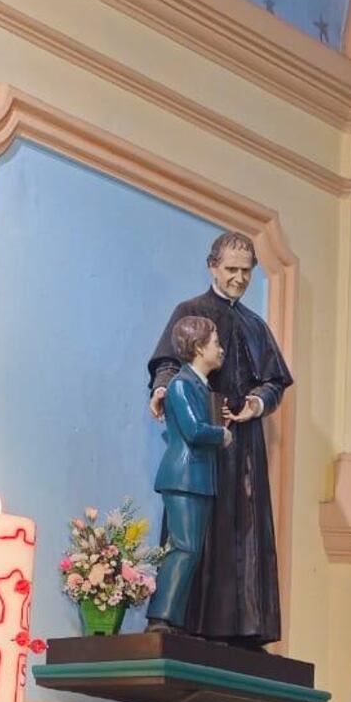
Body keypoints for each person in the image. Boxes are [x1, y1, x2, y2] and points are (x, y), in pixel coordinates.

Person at [148, 232, 292, 647]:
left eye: (247, 271)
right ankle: (180, 620)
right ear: (212, 266)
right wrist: (161, 390)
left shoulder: (254, 325)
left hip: (242, 446)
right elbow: (166, 365)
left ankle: (243, 629)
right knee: (192, 535)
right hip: (198, 441)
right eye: (231, 269)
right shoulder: (189, 313)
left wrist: (255, 404)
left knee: (243, 532)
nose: (239, 278)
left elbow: (274, 382)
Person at [146, 316, 231, 634]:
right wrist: (220, 435)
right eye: (216, 343)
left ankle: (174, 619)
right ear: (198, 347)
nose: (220, 350)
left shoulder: (199, 385)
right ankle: (161, 617)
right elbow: (193, 431)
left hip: (198, 478)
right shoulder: (181, 384)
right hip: (183, 477)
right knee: (183, 547)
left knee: (192, 550)